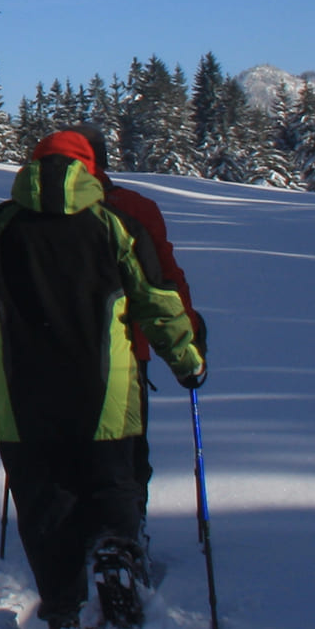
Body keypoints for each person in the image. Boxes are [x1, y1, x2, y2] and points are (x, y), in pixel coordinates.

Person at [0, 129, 204, 629]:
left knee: (44, 506)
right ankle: (116, 555)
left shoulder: (0, 224)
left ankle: (64, 618)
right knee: (112, 484)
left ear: (34, 167)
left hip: (21, 400)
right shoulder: (115, 223)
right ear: (92, 169)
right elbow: (158, 302)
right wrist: (187, 361)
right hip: (104, 396)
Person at [79, 128, 206, 524]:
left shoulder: (25, 214)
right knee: (126, 456)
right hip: (127, 354)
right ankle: (125, 541)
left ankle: (69, 540)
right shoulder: (136, 208)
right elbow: (164, 282)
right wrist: (188, 337)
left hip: (43, 354)